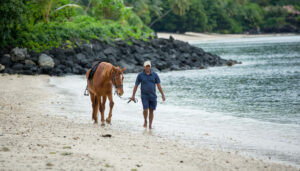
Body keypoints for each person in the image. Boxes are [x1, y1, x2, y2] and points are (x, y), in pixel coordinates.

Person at [131, 61, 165, 129]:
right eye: (146, 66)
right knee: (145, 109)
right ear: (144, 67)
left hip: (153, 96)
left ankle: (150, 125)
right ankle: (145, 121)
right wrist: (133, 96)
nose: (148, 67)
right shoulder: (140, 75)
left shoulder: (155, 75)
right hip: (144, 96)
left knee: (151, 110)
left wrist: (162, 95)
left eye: (149, 66)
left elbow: (158, 85)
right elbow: (136, 86)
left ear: (150, 67)